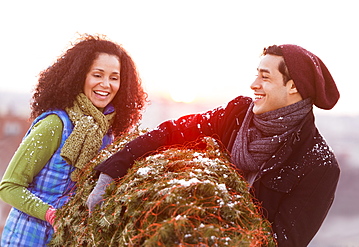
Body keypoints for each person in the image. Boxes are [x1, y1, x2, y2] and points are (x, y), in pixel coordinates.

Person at [87, 44, 340, 246]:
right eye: (256, 75)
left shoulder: (318, 165)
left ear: (293, 86)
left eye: (265, 77)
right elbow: (171, 132)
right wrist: (110, 174)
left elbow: (282, 242)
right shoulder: (237, 114)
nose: (254, 85)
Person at [0, 34, 146, 246]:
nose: (106, 84)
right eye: (98, 75)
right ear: (80, 77)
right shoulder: (54, 125)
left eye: (114, 78)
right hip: (26, 238)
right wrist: (50, 214)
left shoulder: (108, 135)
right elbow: (9, 187)